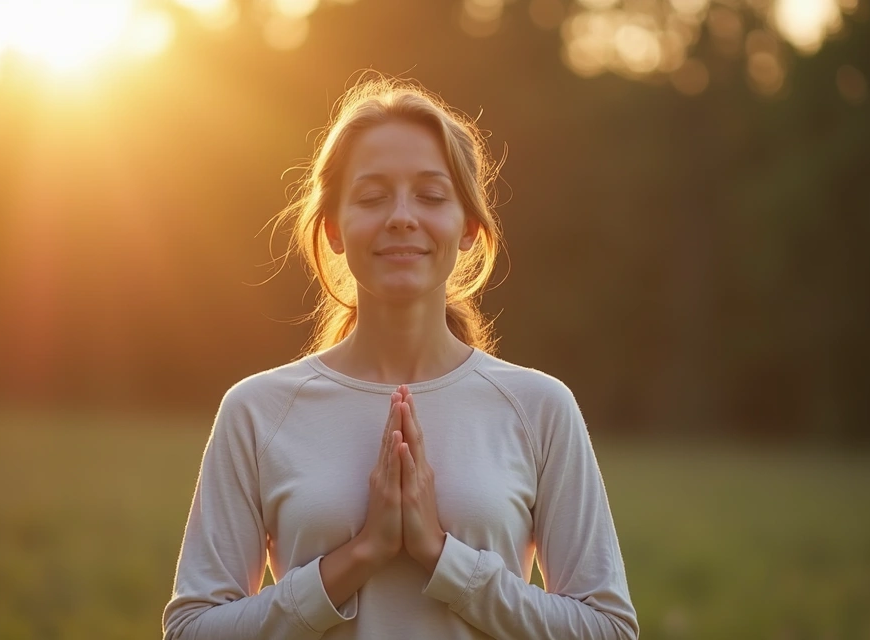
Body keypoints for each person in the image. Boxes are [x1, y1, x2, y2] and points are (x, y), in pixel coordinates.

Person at [162, 76, 638, 639]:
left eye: (432, 196)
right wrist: (359, 557)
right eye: (371, 196)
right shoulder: (258, 411)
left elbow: (609, 629)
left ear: (469, 227)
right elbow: (191, 630)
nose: (402, 217)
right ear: (334, 228)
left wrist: (444, 557)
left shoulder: (539, 408)